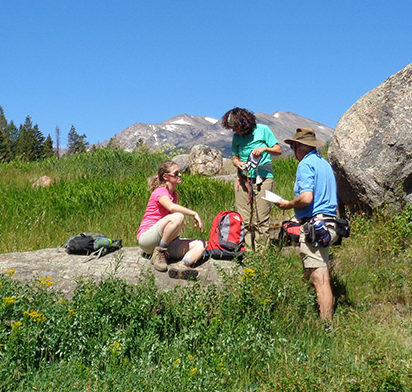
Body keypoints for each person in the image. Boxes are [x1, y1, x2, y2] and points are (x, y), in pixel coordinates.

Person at [275, 127, 339, 325]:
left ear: (300, 146)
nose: (293, 149)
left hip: (315, 226)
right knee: (312, 273)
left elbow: (306, 197)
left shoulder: (305, 165)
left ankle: (326, 326)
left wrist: (288, 204)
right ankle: (305, 307)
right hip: (331, 224)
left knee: (321, 280)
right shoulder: (324, 164)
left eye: (294, 145)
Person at [221, 107, 282, 251]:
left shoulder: (263, 130)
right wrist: (237, 163)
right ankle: (247, 252)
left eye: (235, 127)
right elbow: (235, 156)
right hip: (243, 180)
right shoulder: (236, 137)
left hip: (264, 178)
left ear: (243, 123)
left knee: (262, 219)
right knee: (244, 219)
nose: (234, 131)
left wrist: (264, 149)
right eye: (231, 128)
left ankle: (262, 255)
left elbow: (278, 150)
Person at [136, 160, 206, 280]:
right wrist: (193, 213)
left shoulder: (174, 194)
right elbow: (171, 207)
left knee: (201, 244)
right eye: (176, 173)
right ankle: (159, 252)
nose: (180, 175)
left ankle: (182, 266)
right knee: (178, 216)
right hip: (147, 240)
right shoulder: (160, 191)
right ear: (166, 177)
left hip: (165, 240)